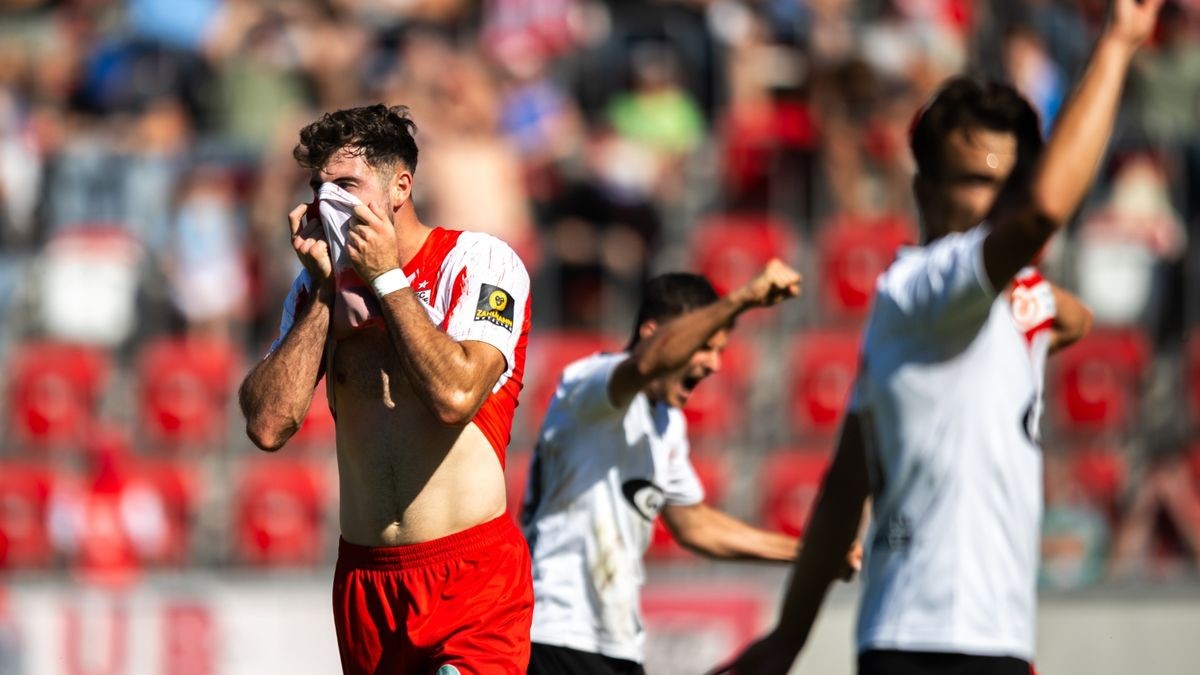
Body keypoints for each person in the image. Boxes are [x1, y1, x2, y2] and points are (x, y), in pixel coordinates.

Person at [712, 0, 1160, 673]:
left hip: (991, 641)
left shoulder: (976, 302)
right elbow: (1042, 214)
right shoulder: (923, 287)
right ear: (923, 190)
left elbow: (846, 483)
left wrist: (789, 636)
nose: (999, 203)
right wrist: (1119, 43)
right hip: (928, 646)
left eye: (1008, 184)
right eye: (980, 183)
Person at [239, 104, 534, 675]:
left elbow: (454, 397)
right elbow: (268, 425)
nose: (328, 203)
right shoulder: (313, 292)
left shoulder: (478, 261)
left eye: (346, 185)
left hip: (471, 579)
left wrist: (384, 278)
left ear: (400, 187)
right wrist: (327, 294)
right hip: (367, 586)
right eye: (319, 188)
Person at [521, 263, 859, 675]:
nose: (715, 365)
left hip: (614, 643)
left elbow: (695, 526)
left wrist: (812, 556)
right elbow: (644, 366)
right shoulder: (588, 385)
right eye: (706, 346)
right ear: (652, 335)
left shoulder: (667, 423)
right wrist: (742, 298)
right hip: (555, 631)